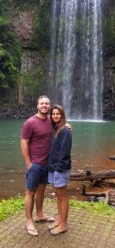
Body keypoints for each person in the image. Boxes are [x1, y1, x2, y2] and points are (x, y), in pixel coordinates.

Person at [21, 95, 54, 236]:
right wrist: (28, 163)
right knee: (30, 192)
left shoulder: (51, 120)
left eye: (47, 103)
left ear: (49, 106)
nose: (44, 105)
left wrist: (67, 125)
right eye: (42, 103)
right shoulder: (29, 123)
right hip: (35, 164)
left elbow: (61, 125)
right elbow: (24, 143)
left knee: (41, 190)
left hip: (47, 164)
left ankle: (40, 215)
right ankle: (29, 221)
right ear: (37, 106)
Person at [47, 104, 72, 236]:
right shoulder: (55, 127)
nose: (56, 116)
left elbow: (65, 152)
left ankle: (63, 224)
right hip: (53, 167)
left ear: (62, 115)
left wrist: (59, 169)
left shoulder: (65, 130)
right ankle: (59, 219)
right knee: (58, 195)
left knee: (62, 196)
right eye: (54, 114)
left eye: (58, 114)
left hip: (60, 168)